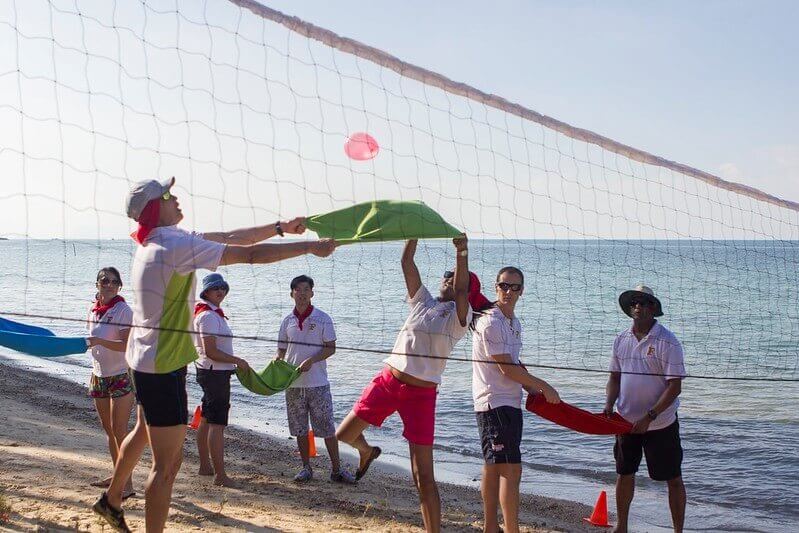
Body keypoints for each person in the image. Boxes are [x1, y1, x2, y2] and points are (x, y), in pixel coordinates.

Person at [93, 177, 336, 533]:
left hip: (143, 361)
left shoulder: (155, 241)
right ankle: (124, 510)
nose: (175, 197)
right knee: (167, 467)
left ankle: (111, 499)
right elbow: (248, 255)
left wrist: (281, 227)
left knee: (143, 430)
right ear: (153, 208)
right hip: (162, 367)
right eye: (167, 195)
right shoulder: (173, 245)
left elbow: (229, 237)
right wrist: (309, 249)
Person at [337, 237, 474, 533]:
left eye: (454, 276)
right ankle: (366, 451)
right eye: (446, 274)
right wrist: (413, 232)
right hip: (388, 381)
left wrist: (461, 252)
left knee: (422, 475)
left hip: (421, 395)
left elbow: (462, 288)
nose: (447, 277)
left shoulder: (459, 319)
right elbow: (406, 264)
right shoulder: (423, 301)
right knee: (344, 434)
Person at [471, 266, 560, 533]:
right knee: (511, 470)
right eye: (503, 286)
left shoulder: (514, 322)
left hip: (510, 401)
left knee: (494, 465)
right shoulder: (491, 321)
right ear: (495, 287)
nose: (508, 292)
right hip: (493, 402)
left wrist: (530, 385)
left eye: (515, 287)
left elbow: (513, 363)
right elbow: (505, 369)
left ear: (522, 291)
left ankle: (490, 527)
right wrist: (544, 386)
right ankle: (511, 529)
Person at [603, 285, 686, 533]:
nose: (637, 306)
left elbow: (674, 387)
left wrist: (650, 416)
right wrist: (608, 404)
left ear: (653, 309)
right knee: (624, 473)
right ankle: (622, 527)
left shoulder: (668, 341)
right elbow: (614, 378)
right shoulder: (621, 339)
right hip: (626, 420)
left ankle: (678, 531)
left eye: (643, 302)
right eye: (634, 302)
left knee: (673, 478)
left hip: (660, 423)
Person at [276, 275, 355, 484]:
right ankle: (305, 468)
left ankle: (336, 469)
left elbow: (331, 348)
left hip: (318, 383)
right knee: (300, 428)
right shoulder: (287, 320)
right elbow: (281, 349)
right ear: (291, 293)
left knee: (327, 428)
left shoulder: (322, 318)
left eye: (306, 289)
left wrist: (313, 360)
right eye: (297, 290)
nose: (301, 294)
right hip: (293, 384)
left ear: (312, 293)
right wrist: (277, 363)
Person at [193, 273, 250, 487]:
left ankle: (205, 467)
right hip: (214, 372)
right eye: (215, 288)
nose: (220, 291)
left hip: (210, 371)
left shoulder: (210, 313)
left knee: (207, 418)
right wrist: (238, 361)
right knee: (217, 423)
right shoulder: (207, 315)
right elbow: (211, 351)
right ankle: (220, 475)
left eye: (223, 287)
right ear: (206, 292)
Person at [86, 267, 135, 499]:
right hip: (99, 374)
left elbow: (127, 346)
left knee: (120, 430)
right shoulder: (93, 309)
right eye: (105, 280)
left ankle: (128, 483)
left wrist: (99, 341)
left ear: (119, 286)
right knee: (109, 431)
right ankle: (118, 474)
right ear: (97, 284)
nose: (109, 285)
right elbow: (91, 341)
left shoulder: (123, 310)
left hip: (120, 375)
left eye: (115, 282)